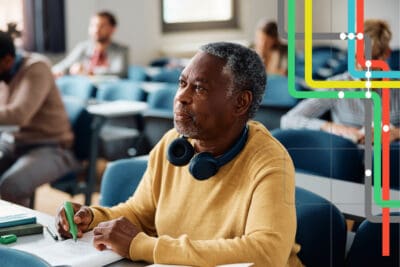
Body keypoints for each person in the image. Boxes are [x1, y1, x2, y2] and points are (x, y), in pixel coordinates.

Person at [55, 42, 303, 266]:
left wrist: (145, 247)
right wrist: (93, 219)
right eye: (182, 84)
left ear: (240, 102)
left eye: (199, 89)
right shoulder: (173, 145)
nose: (181, 97)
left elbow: (266, 254)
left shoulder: (269, 160)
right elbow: (140, 213)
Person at [281, 19, 400, 144]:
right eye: (356, 57)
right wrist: (336, 128)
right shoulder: (337, 86)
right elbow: (288, 120)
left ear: (386, 54)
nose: (361, 66)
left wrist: (395, 133)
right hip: (351, 159)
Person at [0, 32, 79, 207]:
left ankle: (17, 233)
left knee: (11, 186)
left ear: (6, 60)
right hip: (14, 143)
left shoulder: (37, 68)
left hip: (51, 147)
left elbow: (18, 114)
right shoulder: (4, 72)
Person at [52, 11, 128, 78]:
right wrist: (54, 72)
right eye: (93, 25)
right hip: (86, 88)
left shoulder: (121, 50)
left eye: (102, 26)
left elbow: (120, 73)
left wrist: (88, 71)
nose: (96, 30)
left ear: (112, 29)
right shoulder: (83, 47)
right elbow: (65, 64)